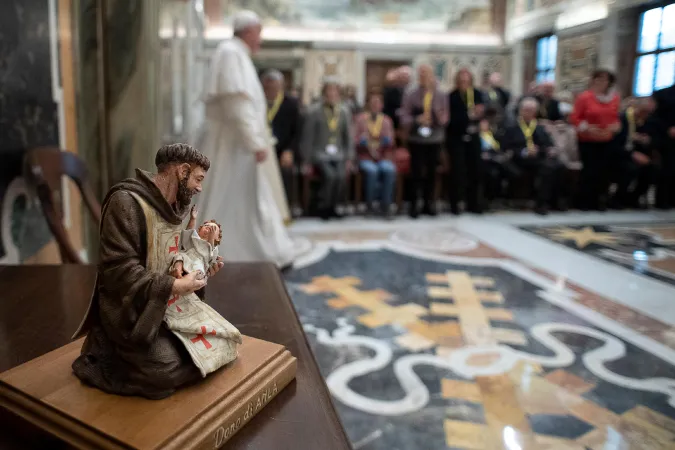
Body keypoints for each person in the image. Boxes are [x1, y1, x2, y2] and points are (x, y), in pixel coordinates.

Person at [71, 143, 227, 399]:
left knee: (221, 342)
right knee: (164, 369)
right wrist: (174, 286)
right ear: (182, 171)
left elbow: (178, 257)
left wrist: (198, 274)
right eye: (198, 179)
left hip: (166, 306)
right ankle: (109, 358)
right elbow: (119, 271)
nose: (199, 188)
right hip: (132, 311)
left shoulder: (175, 208)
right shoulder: (126, 203)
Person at [196, 10, 300, 269]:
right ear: (249, 31)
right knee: (233, 200)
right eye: (259, 34)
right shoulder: (231, 53)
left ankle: (248, 250)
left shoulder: (235, 53)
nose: (260, 40)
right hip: (233, 146)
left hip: (238, 145)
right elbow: (236, 102)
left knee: (246, 202)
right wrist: (254, 142)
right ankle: (240, 252)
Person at [300, 77, 355, 219]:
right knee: (330, 176)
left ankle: (334, 206)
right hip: (319, 153)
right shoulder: (313, 111)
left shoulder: (344, 111)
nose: (332, 94)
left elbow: (348, 136)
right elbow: (308, 137)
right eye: (329, 91)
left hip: (339, 153)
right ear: (324, 93)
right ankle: (322, 206)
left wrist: (349, 157)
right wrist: (306, 160)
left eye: (335, 91)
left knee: (341, 177)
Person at [400, 63, 449, 218]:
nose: (424, 77)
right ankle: (415, 204)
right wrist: (416, 119)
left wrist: (434, 110)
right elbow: (403, 116)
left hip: (434, 138)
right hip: (417, 138)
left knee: (432, 173)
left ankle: (430, 203)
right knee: (417, 172)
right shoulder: (411, 94)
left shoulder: (441, 95)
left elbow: (445, 118)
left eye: (426, 74)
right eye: (421, 74)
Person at [569, 69, 621, 211]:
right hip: (588, 139)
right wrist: (587, 128)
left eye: (605, 80)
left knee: (604, 171)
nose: (601, 82)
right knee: (589, 171)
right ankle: (584, 202)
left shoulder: (614, 98)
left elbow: (615, 116)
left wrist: (616, 126)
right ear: (593, 80)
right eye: (598, 79)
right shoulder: (584, 97)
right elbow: (574, 118)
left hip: (606, 139)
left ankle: (600, 201)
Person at [501, 98, 564, 215]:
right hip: (519, 160)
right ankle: (538, 202)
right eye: (526, 110)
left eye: (532, 110)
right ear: (521, 111)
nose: (529, 113)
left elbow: (548, 144)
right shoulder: (512, 127)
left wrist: (543, 150)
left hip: (538, 158)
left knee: (556, 166)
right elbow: (505, 147)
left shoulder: (540, 128)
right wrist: (524, 151)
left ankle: (548, 202)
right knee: (546, 167)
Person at [610, 96, 661, 209]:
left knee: (653, 169)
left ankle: (633, 198)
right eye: (643, 111)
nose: (645, 115)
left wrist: (647, 140)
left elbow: (656, 140)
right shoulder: (624, 119)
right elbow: (615, 143)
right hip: (621, 155)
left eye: (648, 113)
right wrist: (632, 154)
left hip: (642, 154)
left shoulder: (650, 122)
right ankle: (618, 199)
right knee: (629, 168)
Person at [262, 69, 302, 209]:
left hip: (284, 150)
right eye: (268, 88)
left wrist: (290, 151)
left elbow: (297, 132)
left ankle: (284, 208)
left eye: (275, 87)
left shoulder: (291, 104)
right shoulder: (259, 103)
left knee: (285, 171)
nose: (271, 91)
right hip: (263, 149)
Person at [447, 68, 485, 215]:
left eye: (467, 80)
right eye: (462, 81)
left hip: (474, 136)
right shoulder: (452, 96)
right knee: (457, 171)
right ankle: (455, 204)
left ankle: (474, 203)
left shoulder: (477, 94)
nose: (464, 83)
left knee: (475, 170)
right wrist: (467, 116)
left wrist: (479, 114)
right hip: (457, 137)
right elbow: (451, 119)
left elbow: (483, 115)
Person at [354, 91, 397, 217]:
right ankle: (369, 205)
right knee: (372, 171)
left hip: (382, 156)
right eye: (372, 103)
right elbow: (354, 138)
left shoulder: (386, 121)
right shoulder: (361, 119)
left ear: (381, 105)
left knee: (389, 169)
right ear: (368, 105)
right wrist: (362, 141)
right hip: (365, 156)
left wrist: (385, 141)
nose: (375, 105)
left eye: (378, 103)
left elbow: (391, 140)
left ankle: (386, 205)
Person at [653, 83, 675, 209]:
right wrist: (668, 128)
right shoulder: (664, 94)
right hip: (667, 138)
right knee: (668, 169)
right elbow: (657, 117)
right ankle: (662, 200)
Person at [383, 66, 412, 143]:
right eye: (402, 76)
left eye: (406, 76)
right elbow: (386, 109)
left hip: (411, 127)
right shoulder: (390, 92)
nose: (404, 79)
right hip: (395, 125)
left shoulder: (414, 92)